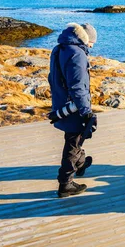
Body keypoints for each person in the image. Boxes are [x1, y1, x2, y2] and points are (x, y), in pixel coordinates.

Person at [48, 22, 97, 198]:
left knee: (73, 138)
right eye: (92, 43)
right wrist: (86, 111)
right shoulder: (77, 54)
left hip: (62, 103)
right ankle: (65, 184)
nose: (91, 46)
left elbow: (52, 78)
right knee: (73, 142)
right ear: (85, 39)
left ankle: (81, 163)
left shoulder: (59, 49)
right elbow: (79, 87)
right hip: (73, 106)